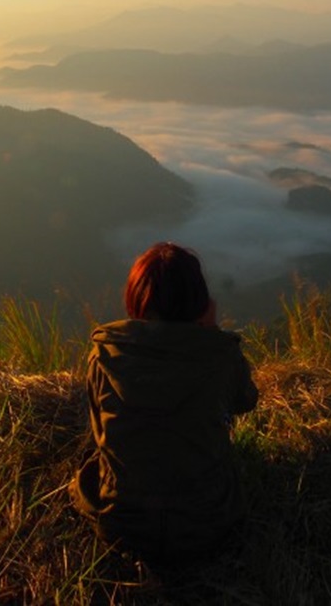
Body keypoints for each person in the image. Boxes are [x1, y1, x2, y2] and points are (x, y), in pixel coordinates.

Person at [69, 242, 259, 565]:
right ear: (199, 300)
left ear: (136, 297)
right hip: (208, 527)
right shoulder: (220, 356)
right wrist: (210, 332)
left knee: (89, 470)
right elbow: (246, 400)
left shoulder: (103, 354)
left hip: (122, 527)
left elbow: (99, 427)